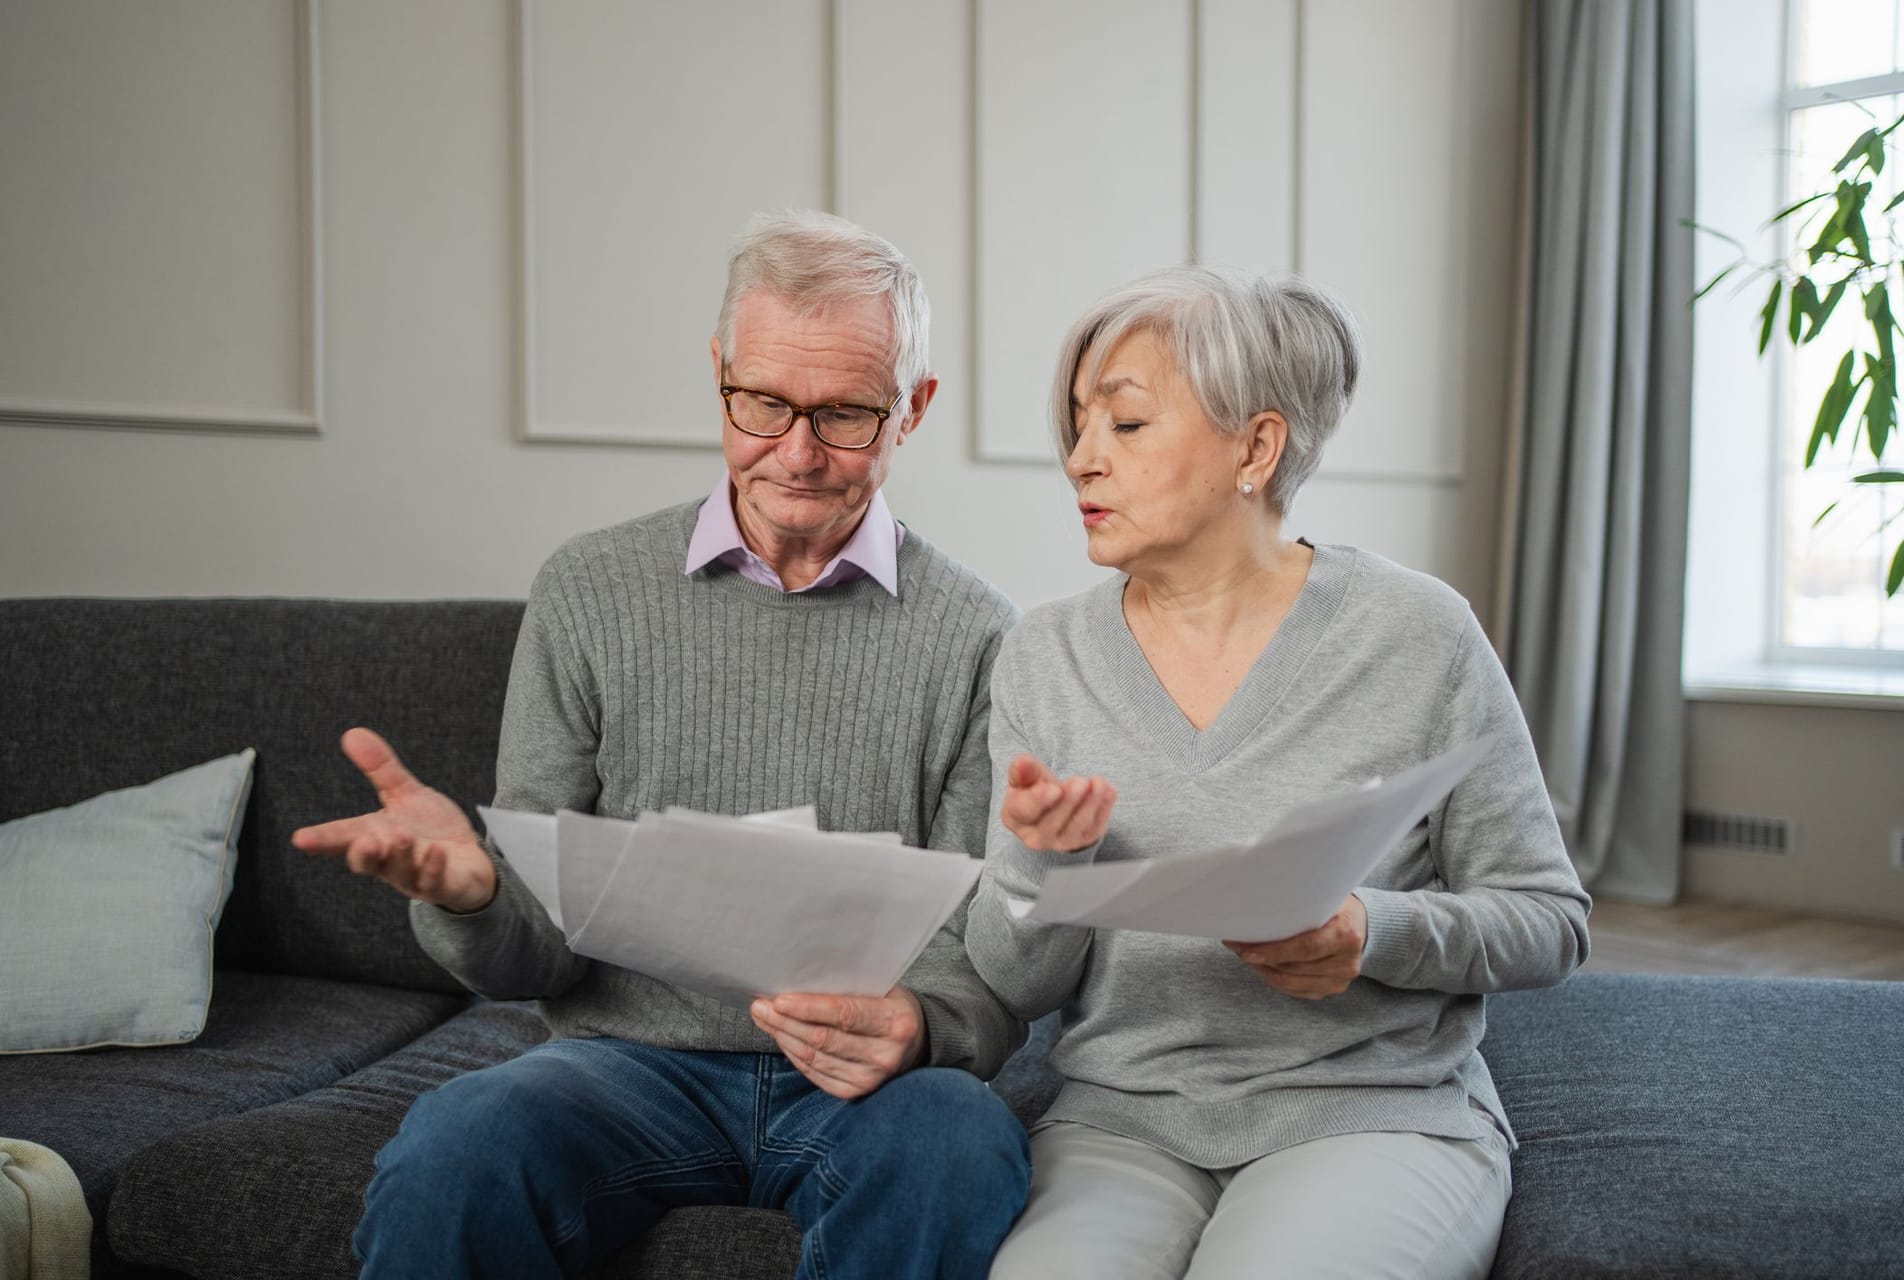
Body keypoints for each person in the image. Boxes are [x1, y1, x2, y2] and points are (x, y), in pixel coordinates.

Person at [293, 210, 1030, 1280]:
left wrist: (922, 1023)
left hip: (869, 1088)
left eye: (846, 414)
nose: (797, 451)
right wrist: (471, 896)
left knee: (959, 1142)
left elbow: (983, 955)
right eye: (764, 402)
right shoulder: (588, 591)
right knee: (460, 1141)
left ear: (912, 407)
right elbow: (534, 955)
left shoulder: (981, 635)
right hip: (621, 1063)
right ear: (720, 374)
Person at [965, 266, 1591, 1279]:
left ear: (1255, 447)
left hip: (1372, 1116)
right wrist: (1043, 863)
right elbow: (1013, 979)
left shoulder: (1418, 631)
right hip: (1122, 1124)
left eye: (1124, 425)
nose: (1080, 459)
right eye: (1076, 424)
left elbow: (1549, 919)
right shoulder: (1045, 654)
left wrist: (1371, 932)